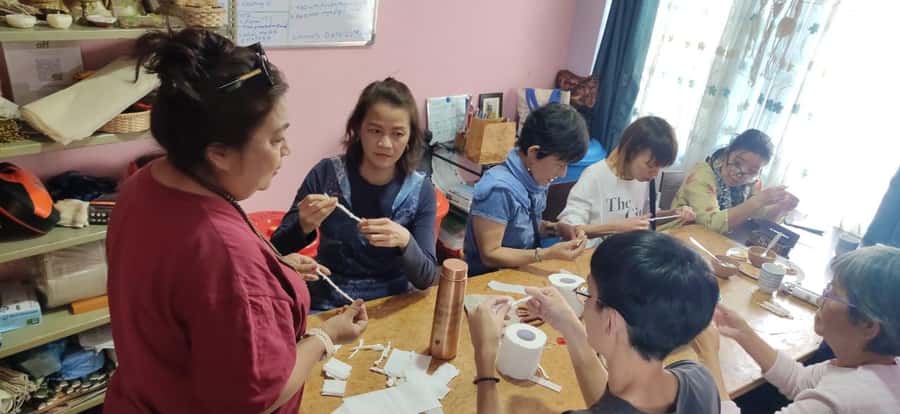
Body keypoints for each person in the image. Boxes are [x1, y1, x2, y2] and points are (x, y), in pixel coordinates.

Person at [106, 28, 367, 413]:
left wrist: (273, 270)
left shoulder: (143, 185)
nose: (287, 151)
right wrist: (325, 337)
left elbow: (184, 291)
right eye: (276, 140)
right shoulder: (226, 257)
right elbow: (254, 398)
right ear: (220, 154)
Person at [469, 231, 722, 413]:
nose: (584, 303)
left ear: (612, 320)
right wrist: (570, 325)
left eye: (588, 294)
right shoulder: (700, 380)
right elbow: (614, 405)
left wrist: (485, 361)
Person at [271, 78, 437, 310]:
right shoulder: (326, 174)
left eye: (398, 134)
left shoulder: (420, 190)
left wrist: (405, 240)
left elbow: (427, 277)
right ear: (358, 128)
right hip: (329, 299)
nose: (385, 143)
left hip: (390, 301)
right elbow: (275, 251)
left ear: (410, 137)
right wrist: (303, 224)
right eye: (375, 130)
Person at [711, 245, 900, 413]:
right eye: (827, 288)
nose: (820, 299)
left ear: (867, 325)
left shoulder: (845, 398)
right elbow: (799, 380)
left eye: (833, 294)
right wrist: (743, 332)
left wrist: (709, 356)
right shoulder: (878, 366)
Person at [464, 103, 589, 276]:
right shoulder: (499, 189)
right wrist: (547, 254)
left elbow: (525, 227)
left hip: (519, 273)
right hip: (485, 280)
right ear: (533, 153)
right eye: (560, 164)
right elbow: (490, 254)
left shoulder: (534, 177)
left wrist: (558, 228)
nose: (563, 173)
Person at [558, 116, 694, 247]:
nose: (655, 173)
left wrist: (674, 214)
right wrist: (615, 228)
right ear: (630, 151)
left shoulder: (644, 179)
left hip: (628, 254)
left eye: (660, 167)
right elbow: (567, 229)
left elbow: (647, 217)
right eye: (650, 165)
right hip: (593, 256)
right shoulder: (595, 175)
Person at [670, 129, 799, 233]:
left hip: (715, 244)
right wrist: (758, 200)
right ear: (727, 153)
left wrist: (780, 207)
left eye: (752, 170)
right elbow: (710, 223)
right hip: (679, 238)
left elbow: (760, 218)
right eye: (737, 163)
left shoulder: (752, 183)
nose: (740, 173)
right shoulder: (702, 173)